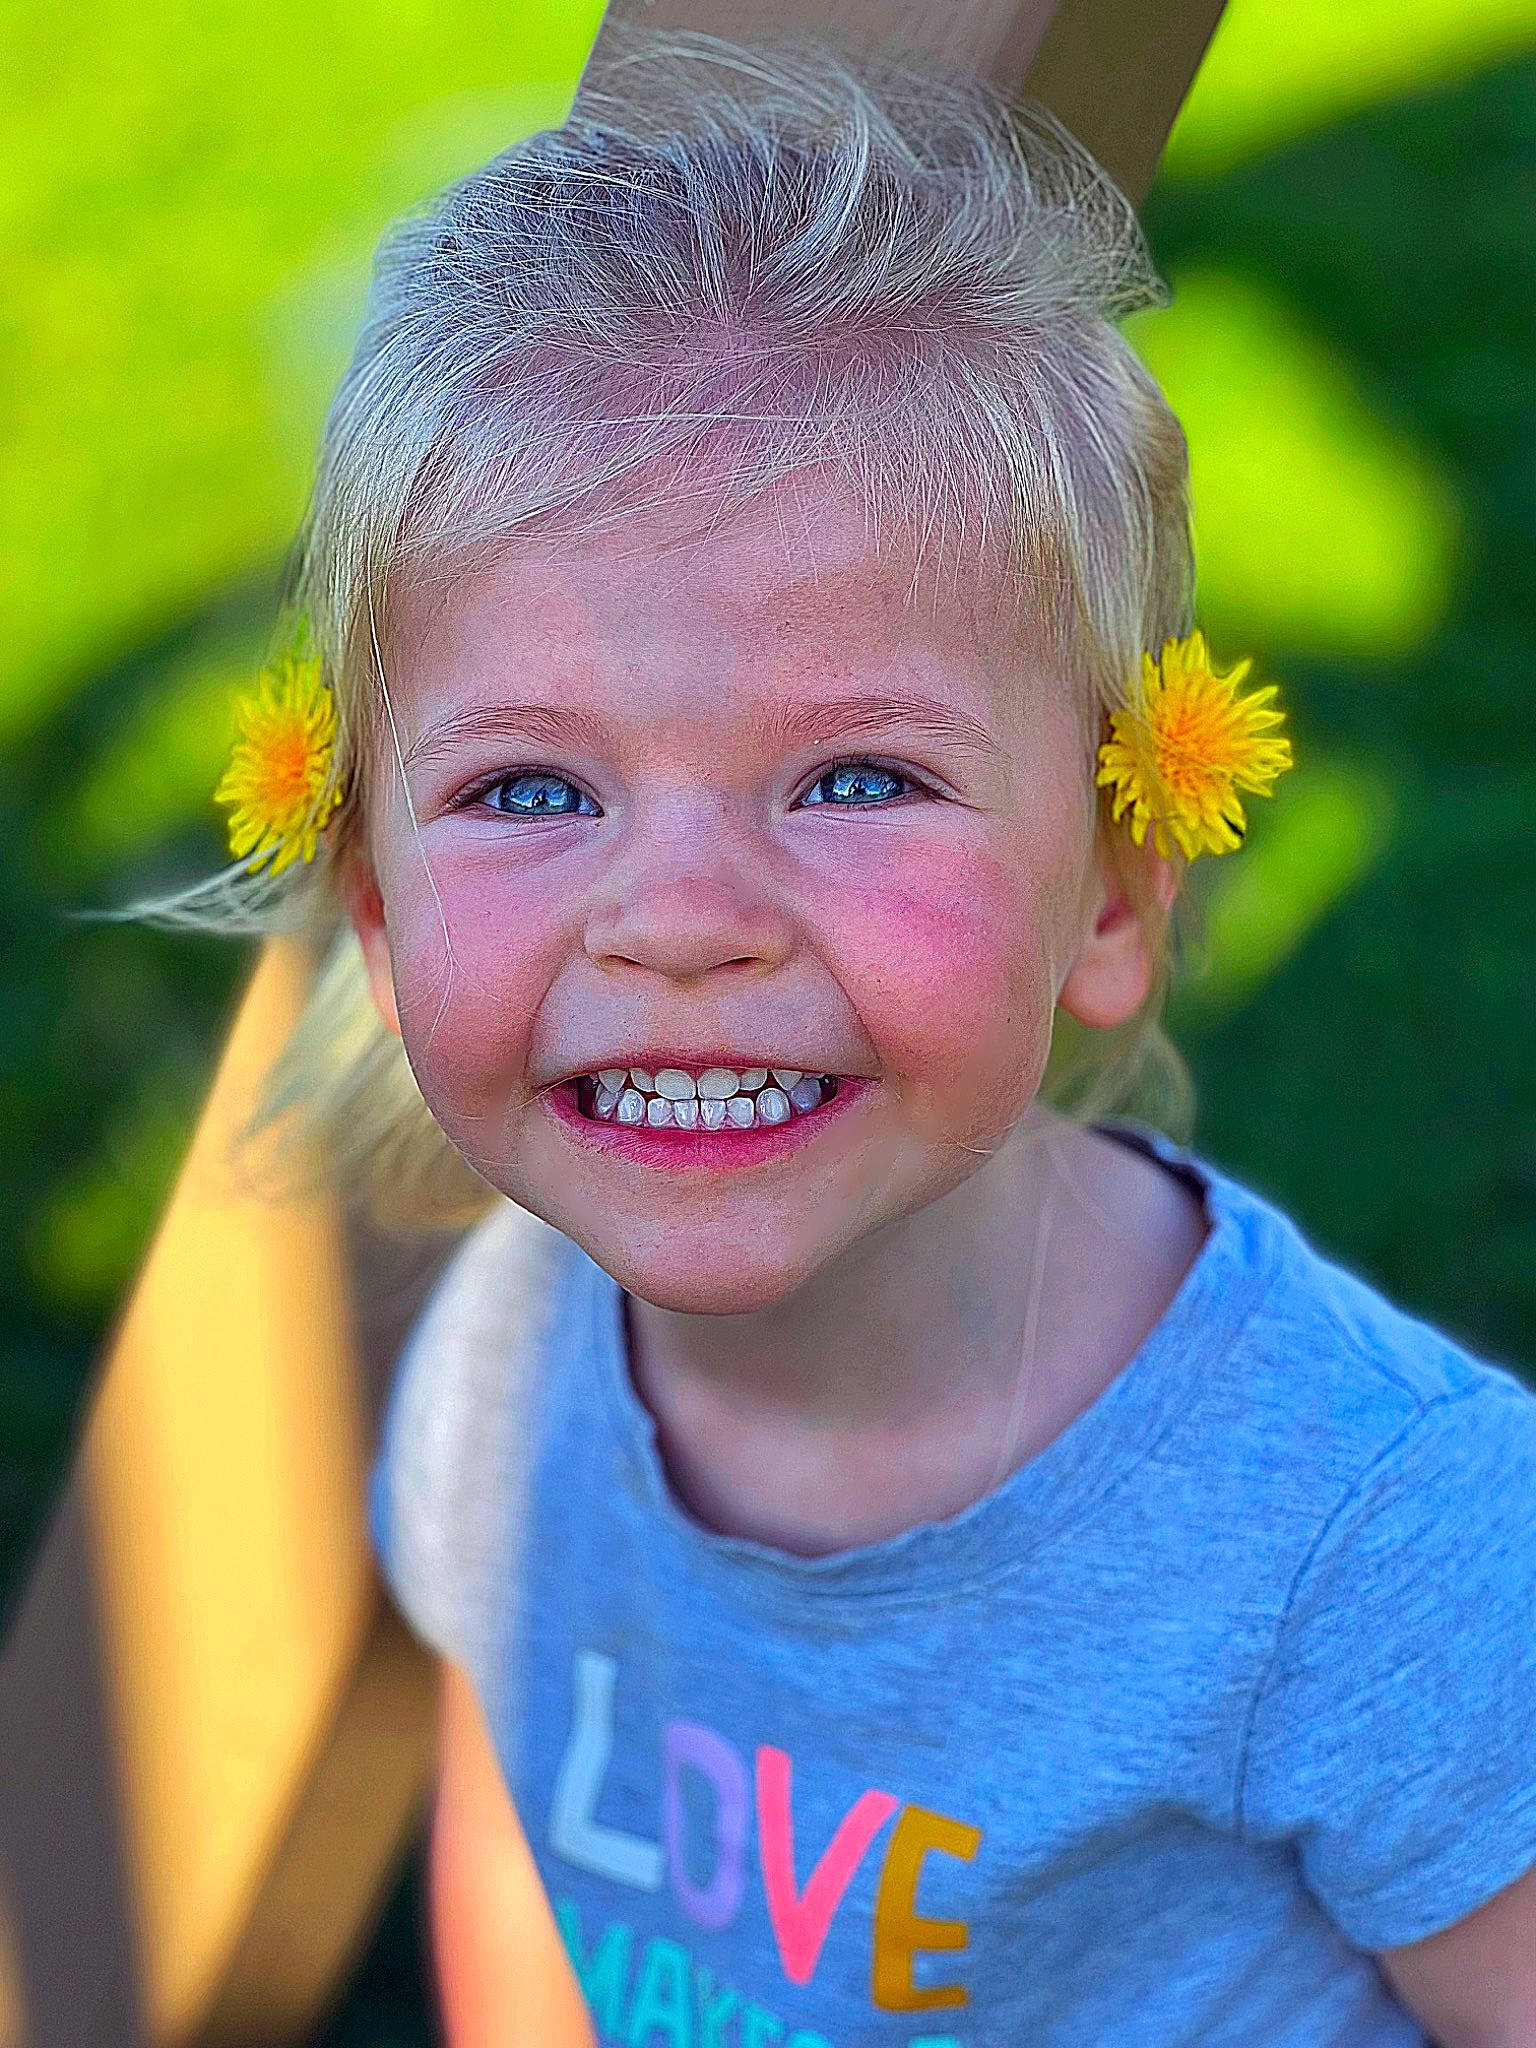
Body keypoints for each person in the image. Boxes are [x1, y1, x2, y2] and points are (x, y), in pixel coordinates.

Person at [154, 31, 1536, 2047]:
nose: (683, 921)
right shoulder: (501, 1372)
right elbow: (522, 1858)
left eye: (857, 776)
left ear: (1121, 896)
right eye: (534, 789)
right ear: (373, 906)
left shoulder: (1373, 1542)